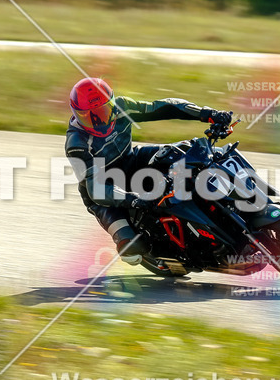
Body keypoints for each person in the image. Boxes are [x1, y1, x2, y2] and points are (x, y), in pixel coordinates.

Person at [65, 77, 232, 264]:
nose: (98, 121)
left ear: (112, 104)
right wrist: (134, 199)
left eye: (102, 112)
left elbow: (165, 107)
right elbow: (96, 189)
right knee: (132, 250)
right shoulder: (76, 144)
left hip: (130, 160)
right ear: (76, 114)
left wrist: (207, 114)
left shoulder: (122, 108)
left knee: (185, 150)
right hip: (101, 190)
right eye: (88, 116)